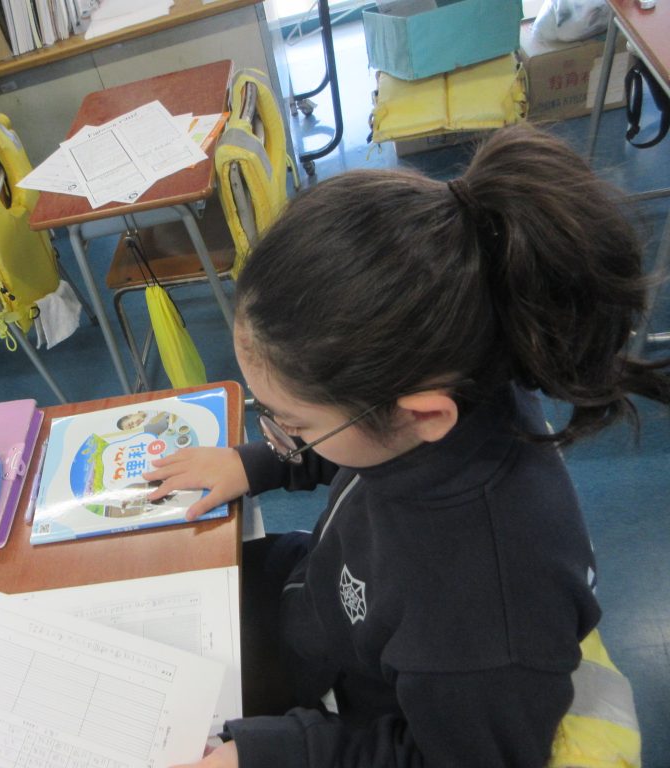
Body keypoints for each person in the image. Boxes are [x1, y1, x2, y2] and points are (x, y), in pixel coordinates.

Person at [144, 124, 669, 767]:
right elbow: (359, 441)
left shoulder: (485, 623)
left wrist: (269, 754)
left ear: (423, 415)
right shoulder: (464, 370)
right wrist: (253, 463)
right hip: (324, 603)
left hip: (348, 710)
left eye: (293, 425)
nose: (282, 436)